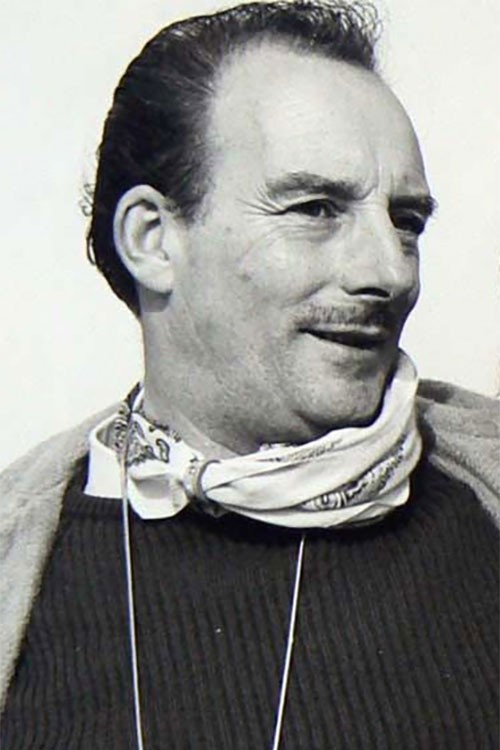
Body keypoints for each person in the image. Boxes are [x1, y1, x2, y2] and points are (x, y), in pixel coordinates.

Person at [1, 1, 498, 747]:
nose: (390, 271)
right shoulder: (18, 558)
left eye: (406, 222)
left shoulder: (483, 498)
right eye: (316, 208)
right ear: (152, 240)